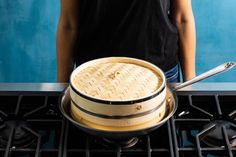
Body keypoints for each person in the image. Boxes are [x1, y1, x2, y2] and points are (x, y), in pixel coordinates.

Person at [56, 0, 196, 83]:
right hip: (94, 77)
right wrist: (61, 87)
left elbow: (182, 18)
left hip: (160, 74)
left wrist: (191, 83)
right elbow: (69, 24)